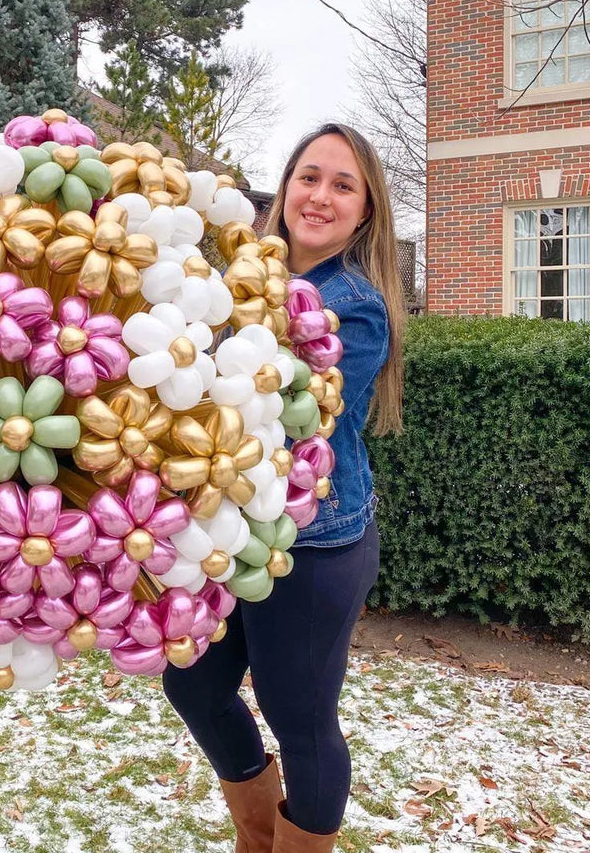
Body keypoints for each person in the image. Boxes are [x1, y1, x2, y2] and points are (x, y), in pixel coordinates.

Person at [162, 123, 405, 852]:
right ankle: (259, 836)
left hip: (316, 543)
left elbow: (293, 423)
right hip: (236, 531)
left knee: (298, 716)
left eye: (343, 185)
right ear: (285, 187)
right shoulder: (245, 280)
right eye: (309, 176)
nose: (321, 196)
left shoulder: (353, 307)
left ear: (365, 211)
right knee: (195, 685)